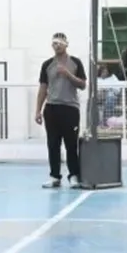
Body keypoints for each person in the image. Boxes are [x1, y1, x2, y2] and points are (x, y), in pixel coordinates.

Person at [35, 33, 87, 188]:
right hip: (51, 108)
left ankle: (74, 175)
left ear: (66, 44)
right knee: (53, 143)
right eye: (54, 43)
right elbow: (43, 88)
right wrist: (38, 110)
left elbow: (82, 84)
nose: (56, 46)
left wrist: (68, 74)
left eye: (59, 43)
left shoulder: (75, 63)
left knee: (71, 144)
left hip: (70, 108)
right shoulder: (47, 65)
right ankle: (54, 175)